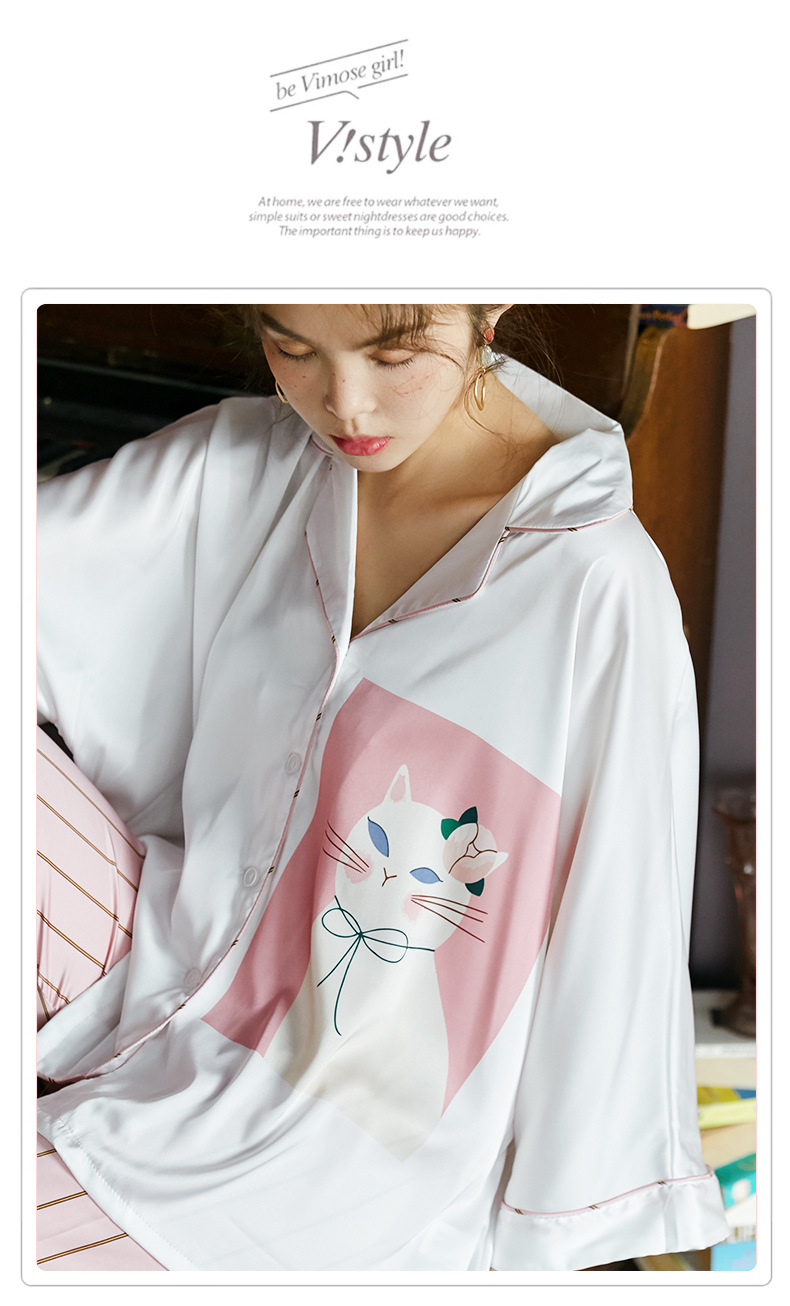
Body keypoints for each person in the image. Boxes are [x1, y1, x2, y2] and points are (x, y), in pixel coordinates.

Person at [36, 303, 730, 1271]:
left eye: (394, 354)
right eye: (292, 348)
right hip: (155, 967)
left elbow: (617, 923)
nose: (344, 404)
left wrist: (558, 1234)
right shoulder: (251, 459)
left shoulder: (594, 585)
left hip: (326, 1158)